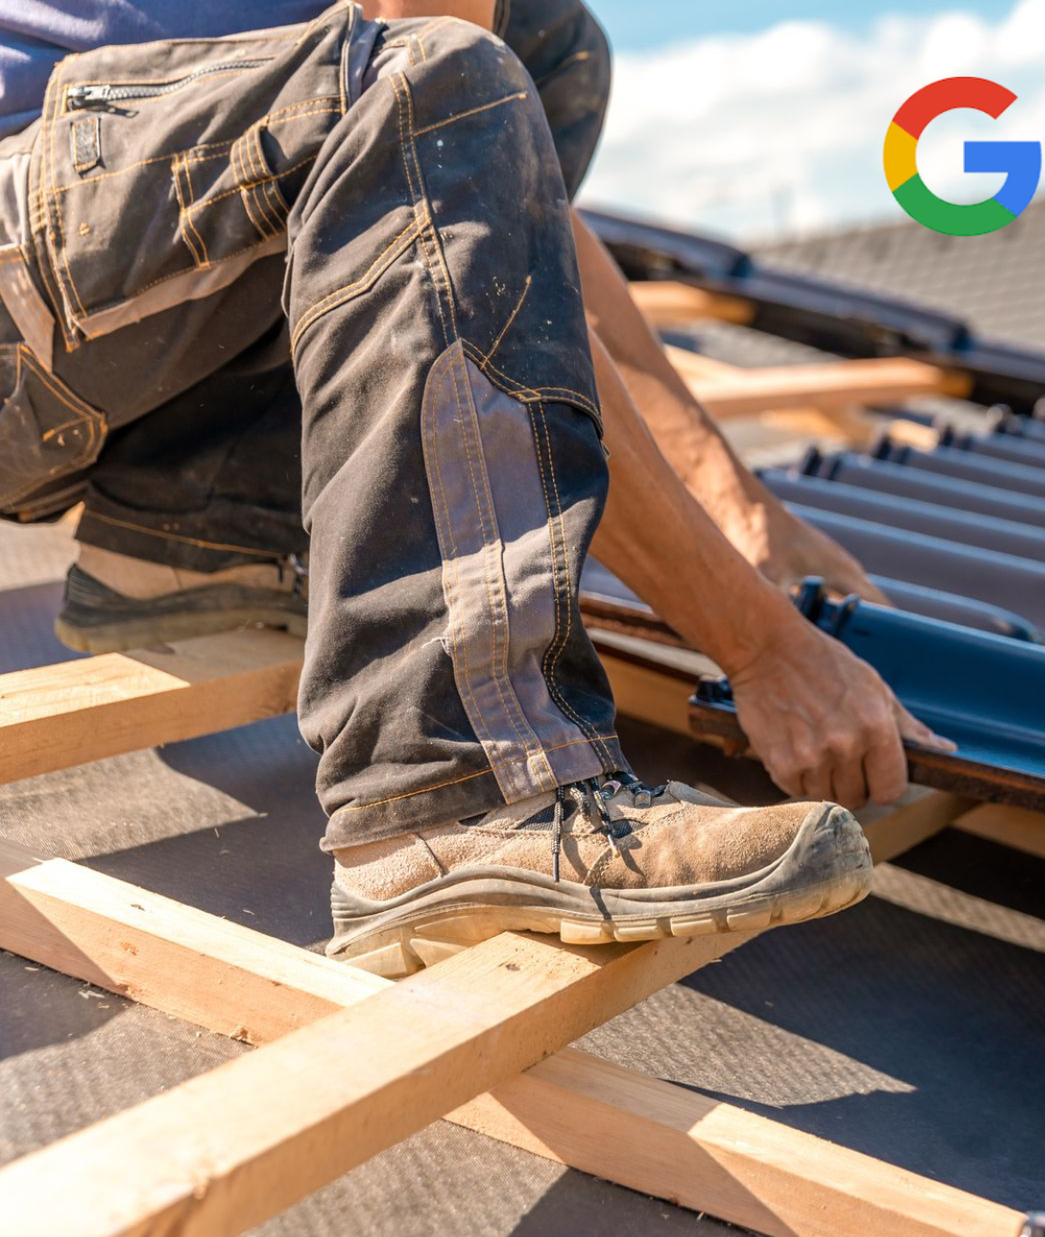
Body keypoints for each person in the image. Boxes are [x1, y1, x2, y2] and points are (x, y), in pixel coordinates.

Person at [0, 0, 949, 977]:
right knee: (444, 75)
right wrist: (760, 646)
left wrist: (741, 511)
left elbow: (506, 230)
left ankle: (200, 524)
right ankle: (451, 791)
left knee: (545, 51)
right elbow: (436, 146)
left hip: (87, 290)